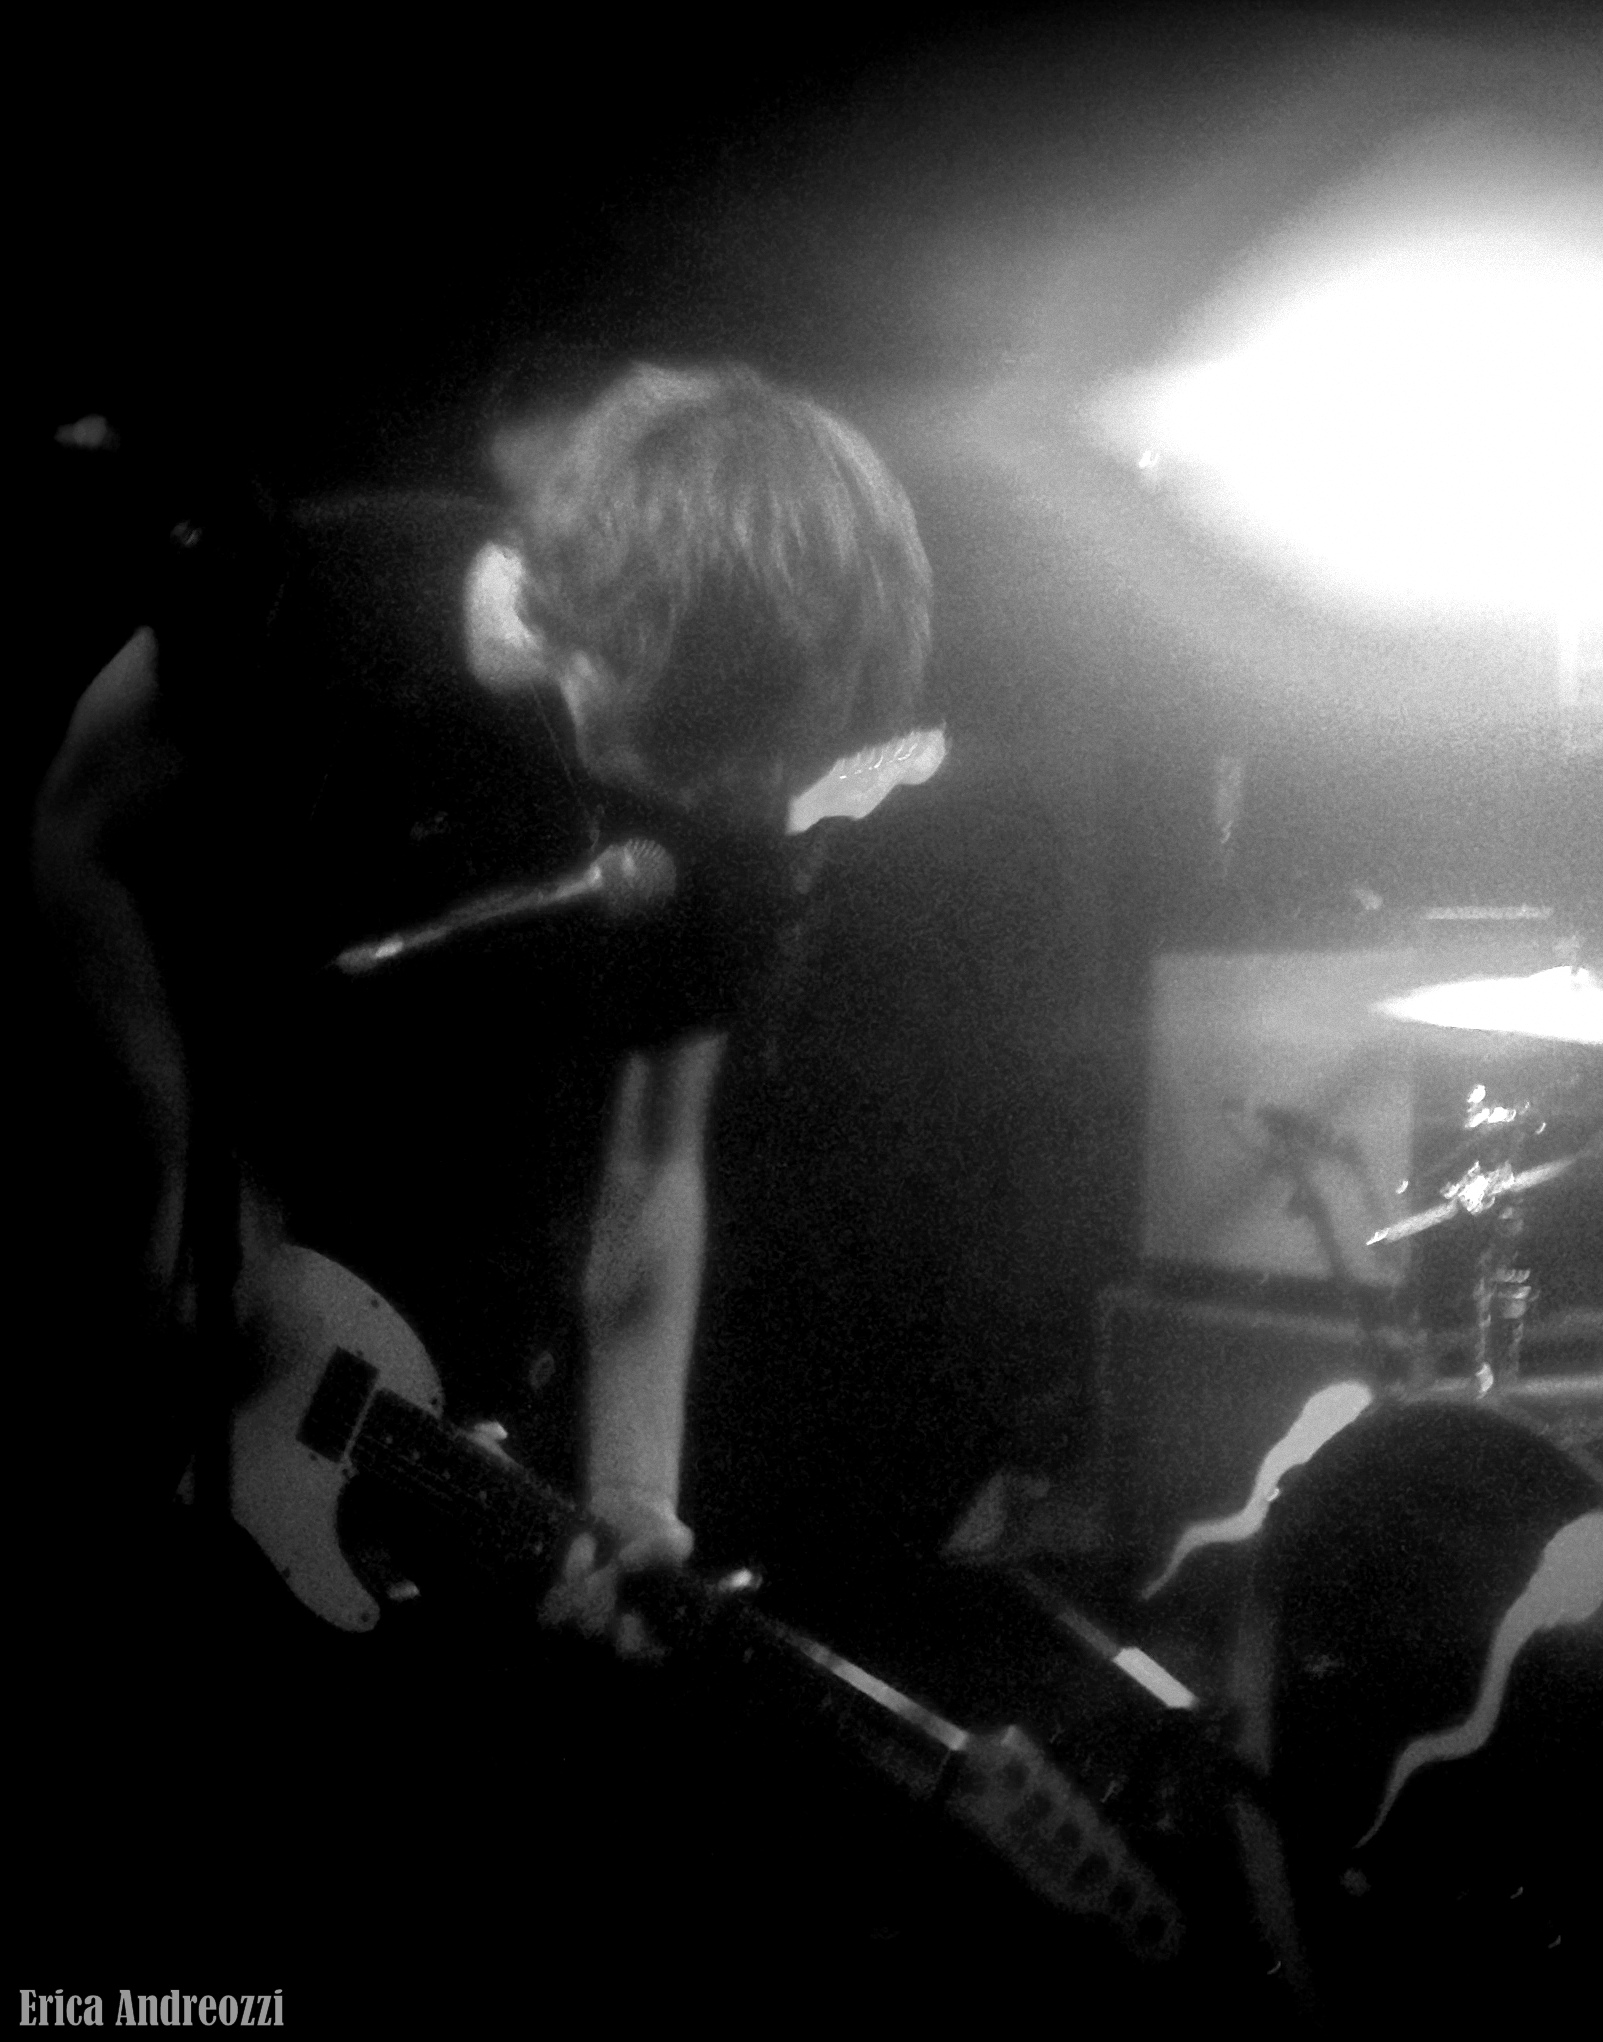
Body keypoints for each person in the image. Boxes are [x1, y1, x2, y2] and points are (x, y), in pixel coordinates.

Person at [26, 363, 937, 1989]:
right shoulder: (319, 594)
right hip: (162, 1295)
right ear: (619, 639)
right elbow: (73, 835)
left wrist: (636, 1494)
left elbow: (654, 1163)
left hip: (420, 1367)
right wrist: (175, 1155)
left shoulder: (730, 820)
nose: (749, 796)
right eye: (729, 751)